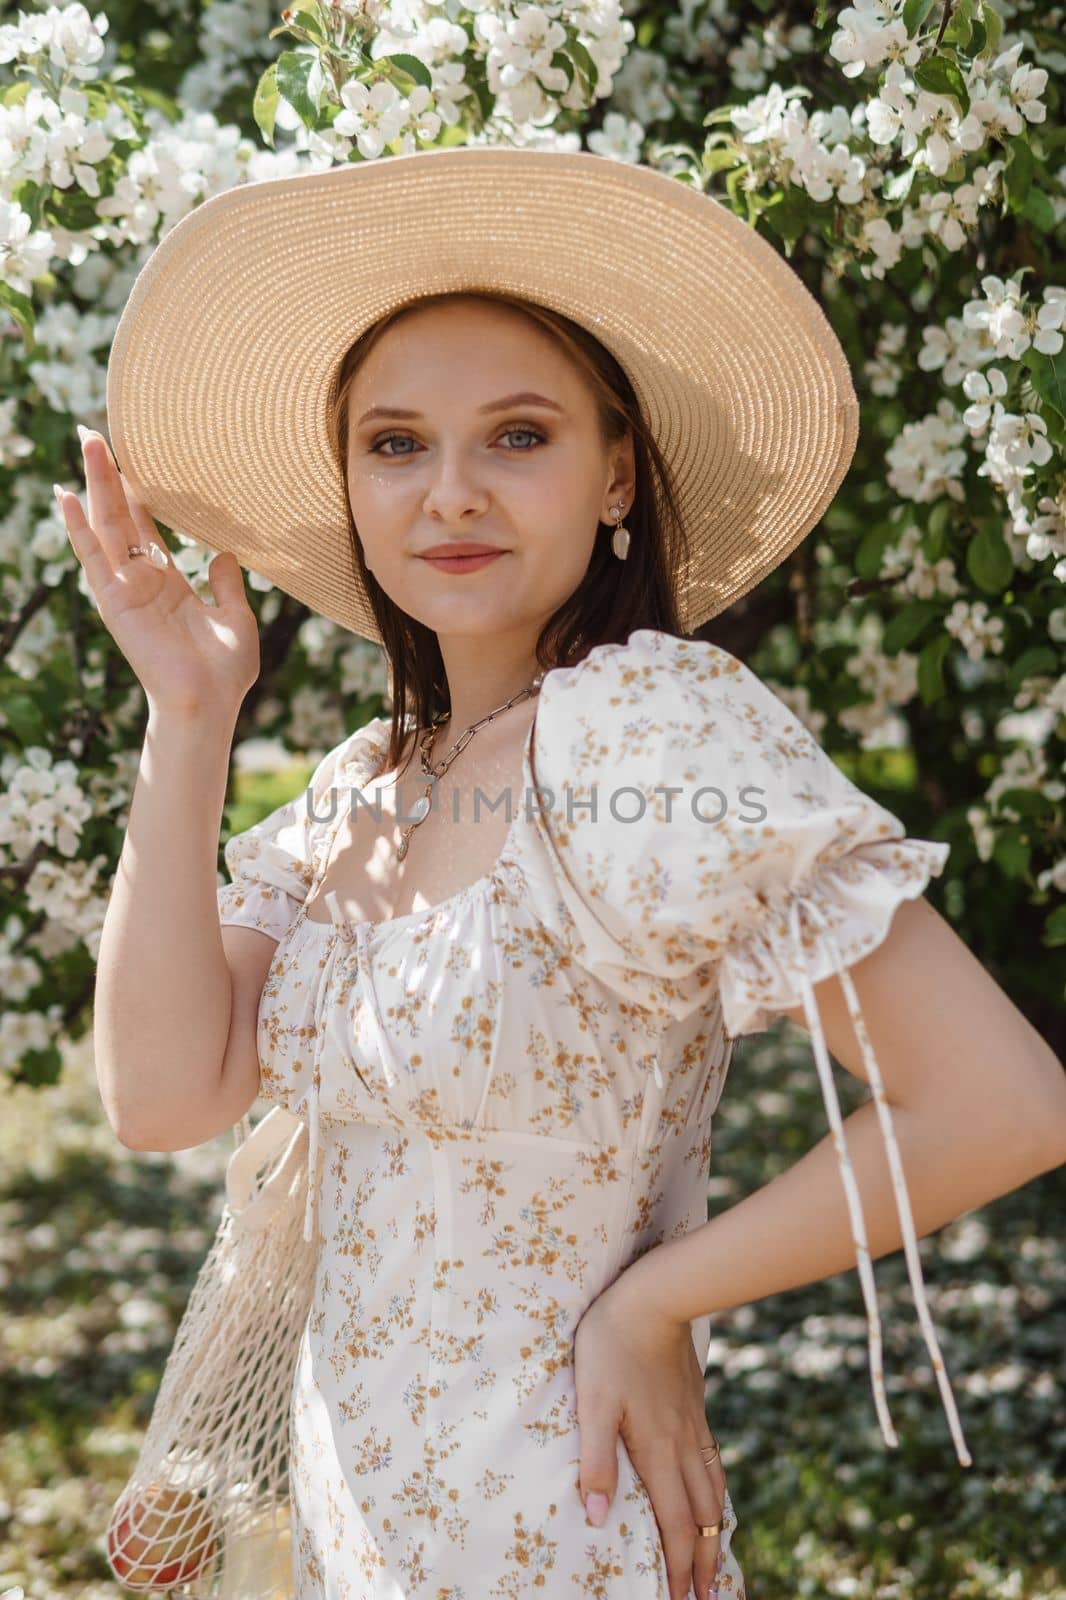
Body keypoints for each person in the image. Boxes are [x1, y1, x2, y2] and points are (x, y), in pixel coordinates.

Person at [66, 147, 1065, 1600]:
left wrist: (656, 1304)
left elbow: (998, 1103)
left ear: (614, 471)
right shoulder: (362, 782)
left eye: (516, 436)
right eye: (395, 444)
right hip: (361, 1519)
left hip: (564, 1513)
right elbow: (161, 1097)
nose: (450, 492)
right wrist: (189, 711)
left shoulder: (646, 726)